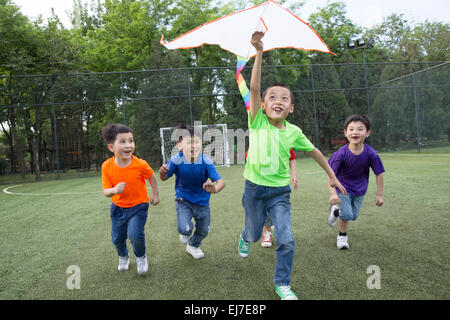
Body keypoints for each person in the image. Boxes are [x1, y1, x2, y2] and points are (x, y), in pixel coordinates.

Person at [237, 31, 347, 300]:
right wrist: (259, 52)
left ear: (291, 108)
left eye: (284, 99)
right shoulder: (257, 121)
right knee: (252, 234)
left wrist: (332, 176)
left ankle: (282, 284)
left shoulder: (294, 132)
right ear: (262, 105)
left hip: (279, 193)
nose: (278, 101)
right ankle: (245, 235)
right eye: (272, 97)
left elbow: (316, 153)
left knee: (285, 238)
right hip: (253, 189)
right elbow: (252, 88)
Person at [101, 123, 160, 275]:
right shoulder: (106, 167)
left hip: (138, 206)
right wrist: (114, 190)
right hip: (118, 208)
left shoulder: (140, 164)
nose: (129, 145)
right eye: (122, 141)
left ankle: (141, 258)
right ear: (111, 147)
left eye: (131, 141)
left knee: (135, 235)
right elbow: (106, 191)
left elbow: (151, 176)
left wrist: (155, 194)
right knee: (117, 238)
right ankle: (123, 256)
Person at [159, 125, 225, 259]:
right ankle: (185, 231)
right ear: (179, 145)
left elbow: (221, 182)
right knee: (185, 229)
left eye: (197, 141)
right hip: (183, 200)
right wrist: (162, 173)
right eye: (189, 142)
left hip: (202, 202)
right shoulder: (176, 160)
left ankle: (193, 245)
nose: (193, 145)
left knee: (204, 230)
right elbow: (164, 178)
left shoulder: (206, 161)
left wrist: (214, 189)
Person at [327, 114, 385, 250]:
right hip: (342, 188)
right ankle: (342, 236)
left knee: (353, 216)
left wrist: (380, 194)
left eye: (360, 129)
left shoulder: (371, 154)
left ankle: (335, 211)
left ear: (368, 133)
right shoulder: (340, 154)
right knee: (347, 215)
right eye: (351, 129)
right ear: (345, 133)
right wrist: (332, 193)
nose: (355, 132)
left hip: (360, 190)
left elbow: (379, 173)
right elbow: (330, 174)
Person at [261, 149, 298, 248]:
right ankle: (267, 232)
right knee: (265, 209)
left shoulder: (283, 138)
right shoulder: (259, 138)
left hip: (281, 184)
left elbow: (292, 158)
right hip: (263, 183)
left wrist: (294, 174)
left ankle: (282, 233)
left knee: (281, 210)